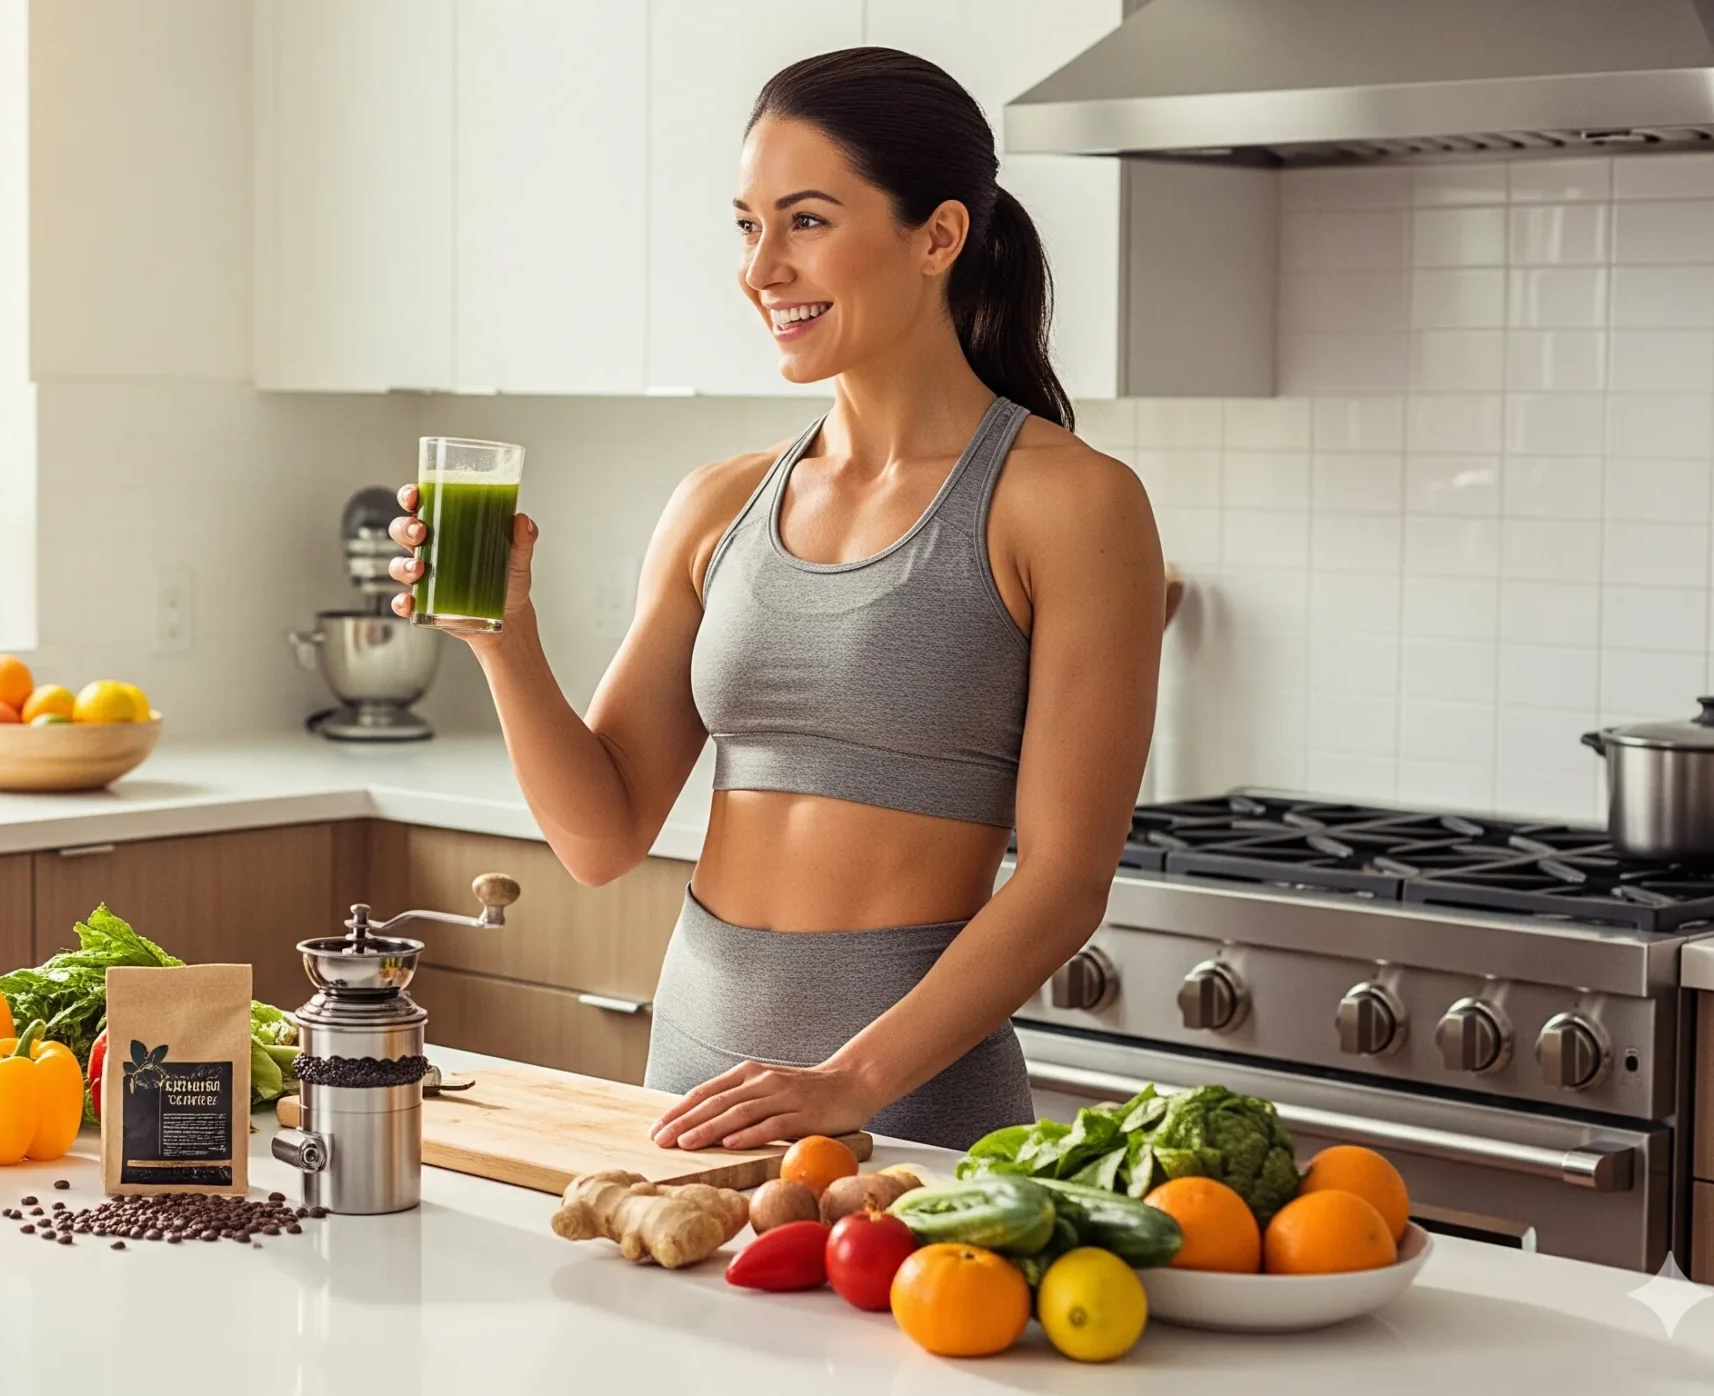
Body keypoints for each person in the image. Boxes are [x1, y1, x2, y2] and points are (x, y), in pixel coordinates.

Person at [388, 47, 1165, 1151]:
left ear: (938, 236)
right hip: (688, 1088)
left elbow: (1066, 880)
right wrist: (503, 639)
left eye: (805, 221)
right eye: (748, 226)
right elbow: (602, 837)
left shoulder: (1069, 503)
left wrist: (848, 1082)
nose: (762, 268)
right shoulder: (719, 503)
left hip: (906, 1110)